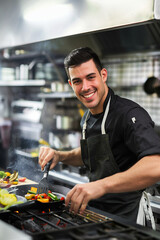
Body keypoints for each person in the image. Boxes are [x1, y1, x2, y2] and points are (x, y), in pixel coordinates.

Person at [39, 47, 160, 224]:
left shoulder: (128, 114)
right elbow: (90, 152)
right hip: (96, 214)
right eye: (77, 81)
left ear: (103, 75)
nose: (85, 87)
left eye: (90, 77)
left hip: (128, 217)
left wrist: (100, 185)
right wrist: (60, 155)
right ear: (71, 85)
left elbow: (156, 165)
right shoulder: (87, 118)